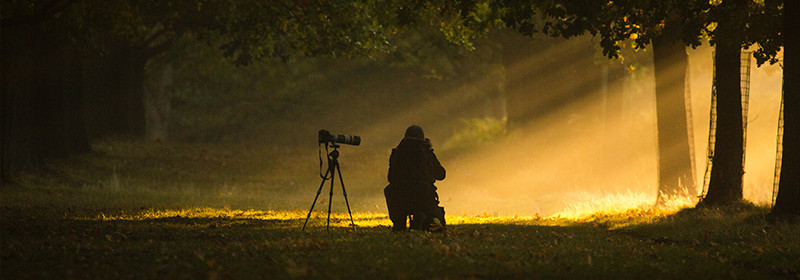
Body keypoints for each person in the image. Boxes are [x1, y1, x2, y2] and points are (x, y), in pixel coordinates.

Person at [384, 125, 446, 232]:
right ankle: (422, 220)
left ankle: (399, 224)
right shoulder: (426, 152)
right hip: (424, 198)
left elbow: (391, 178)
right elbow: (441, 174)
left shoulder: (398, 152)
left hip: (401, 197)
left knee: (389, 190)